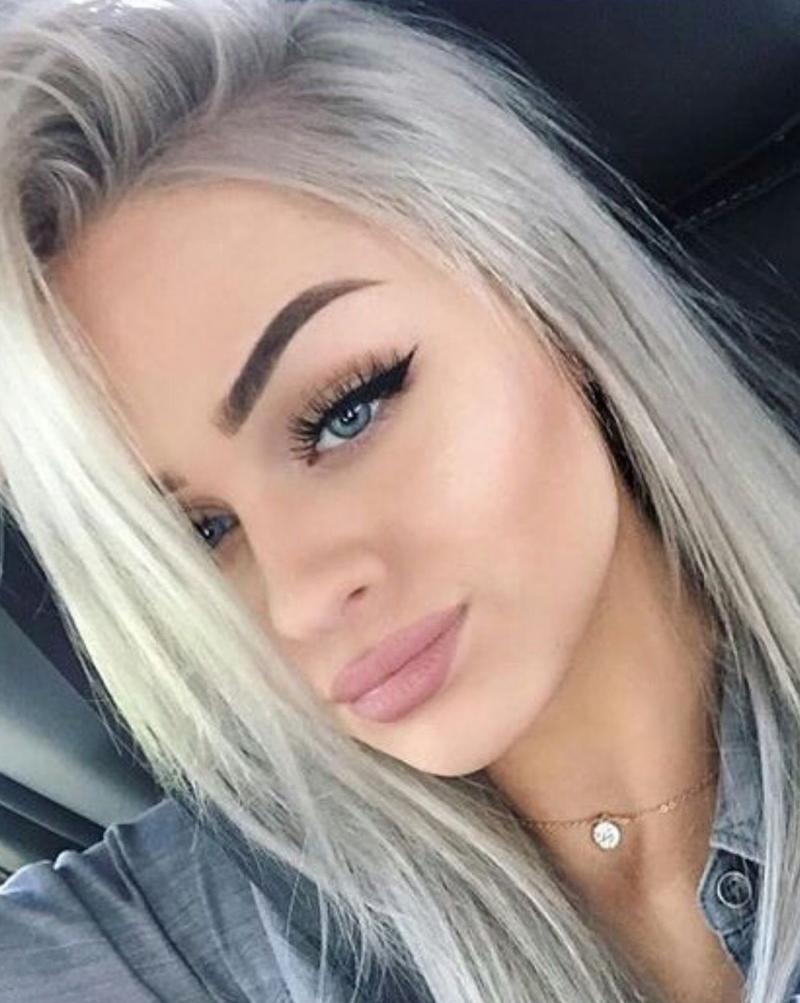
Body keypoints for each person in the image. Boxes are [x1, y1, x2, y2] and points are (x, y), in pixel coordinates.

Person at [0, 1, 798, 1001]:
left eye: (346, 412)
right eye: (199, 534)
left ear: (545, 293)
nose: (300, 599)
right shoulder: (196, 927)